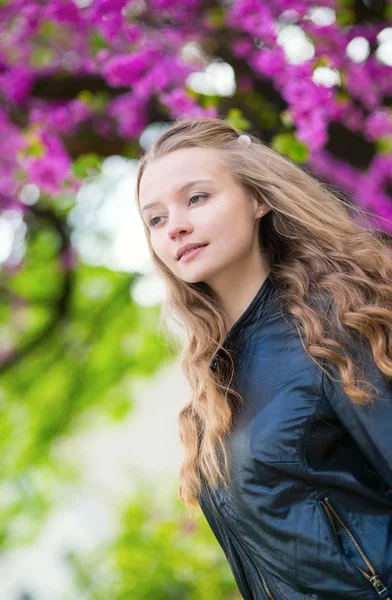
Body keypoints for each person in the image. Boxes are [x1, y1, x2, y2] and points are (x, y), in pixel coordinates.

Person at [136, 116, 392, 599]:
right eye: (156, 218)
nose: (176, 227)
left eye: (196, 198)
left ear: (258, 199)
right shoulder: (213, 386)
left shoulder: (335, 327)